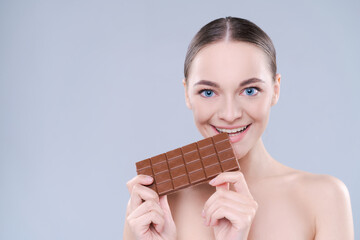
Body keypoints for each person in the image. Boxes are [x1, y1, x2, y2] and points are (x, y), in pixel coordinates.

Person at [123, 17, 354, 240]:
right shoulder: (154, 208)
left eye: (250, 90)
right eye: (208, 92)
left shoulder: (324, 199)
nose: (230, 114)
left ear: (275, 89)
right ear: (186, 94)